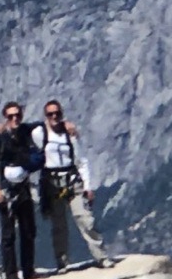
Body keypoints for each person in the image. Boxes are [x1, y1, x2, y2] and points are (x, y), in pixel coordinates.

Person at [32, 100, 114, 270]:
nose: (54, 116)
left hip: (72, 182)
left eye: (57, 113)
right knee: (59, 224)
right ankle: (62, 261)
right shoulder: (40, 133)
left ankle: (101, 256)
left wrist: (87, 186)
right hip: (53, 184)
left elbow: (81, 161)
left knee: (85, 219)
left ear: (61, 114)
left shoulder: (70, 136)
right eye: (50, 114)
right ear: (45, 116)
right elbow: (24, 129)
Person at [0, 102, 41, 279]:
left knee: (28, 230)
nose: (15, 119)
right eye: (11, 116)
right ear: (5, 118)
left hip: (23, 188)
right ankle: (11, 274)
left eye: (17, 116)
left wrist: (66, 126)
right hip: (5, 192)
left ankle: (28, 270)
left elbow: (42, 124)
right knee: (8, 234)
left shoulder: (24, 132)